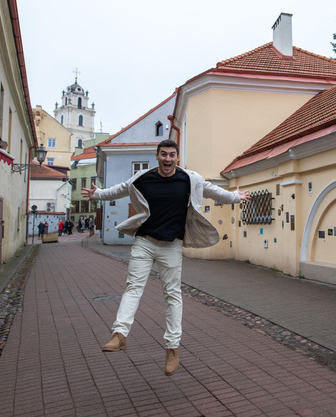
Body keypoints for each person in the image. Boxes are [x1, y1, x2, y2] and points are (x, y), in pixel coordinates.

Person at [81, 139, 250, 376]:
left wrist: (235, 196)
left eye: (172, 155)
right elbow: (120, 189)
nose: (168, 159)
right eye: (163, 155)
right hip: (144, 241)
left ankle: (172, 348)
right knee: (133, 287)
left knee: (172, 295)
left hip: (171, 246)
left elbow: (213, 192)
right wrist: (98, 194)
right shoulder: (143, 178)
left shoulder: (190, 179)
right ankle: (119, 334)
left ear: (177, 158)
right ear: (157, 157)